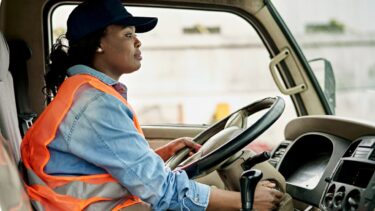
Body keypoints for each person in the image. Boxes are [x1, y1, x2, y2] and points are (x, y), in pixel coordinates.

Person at [21, 0, 283, 210]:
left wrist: (159, 155)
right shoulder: (96, 103)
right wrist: (246, 202)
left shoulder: (84, 92)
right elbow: (164, 192)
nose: (138, 41)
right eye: (128, 34)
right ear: (99, 43)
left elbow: (97, 169)